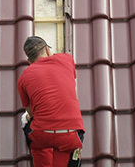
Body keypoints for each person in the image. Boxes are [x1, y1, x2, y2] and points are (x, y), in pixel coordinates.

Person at [17, 36, 85, 167]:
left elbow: (31, 112)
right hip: (71, 135)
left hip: (43, 135)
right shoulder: (67, 59)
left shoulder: (24, 77)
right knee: (66, 152)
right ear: (48, 50)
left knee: (26, 121)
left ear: (29, 61)